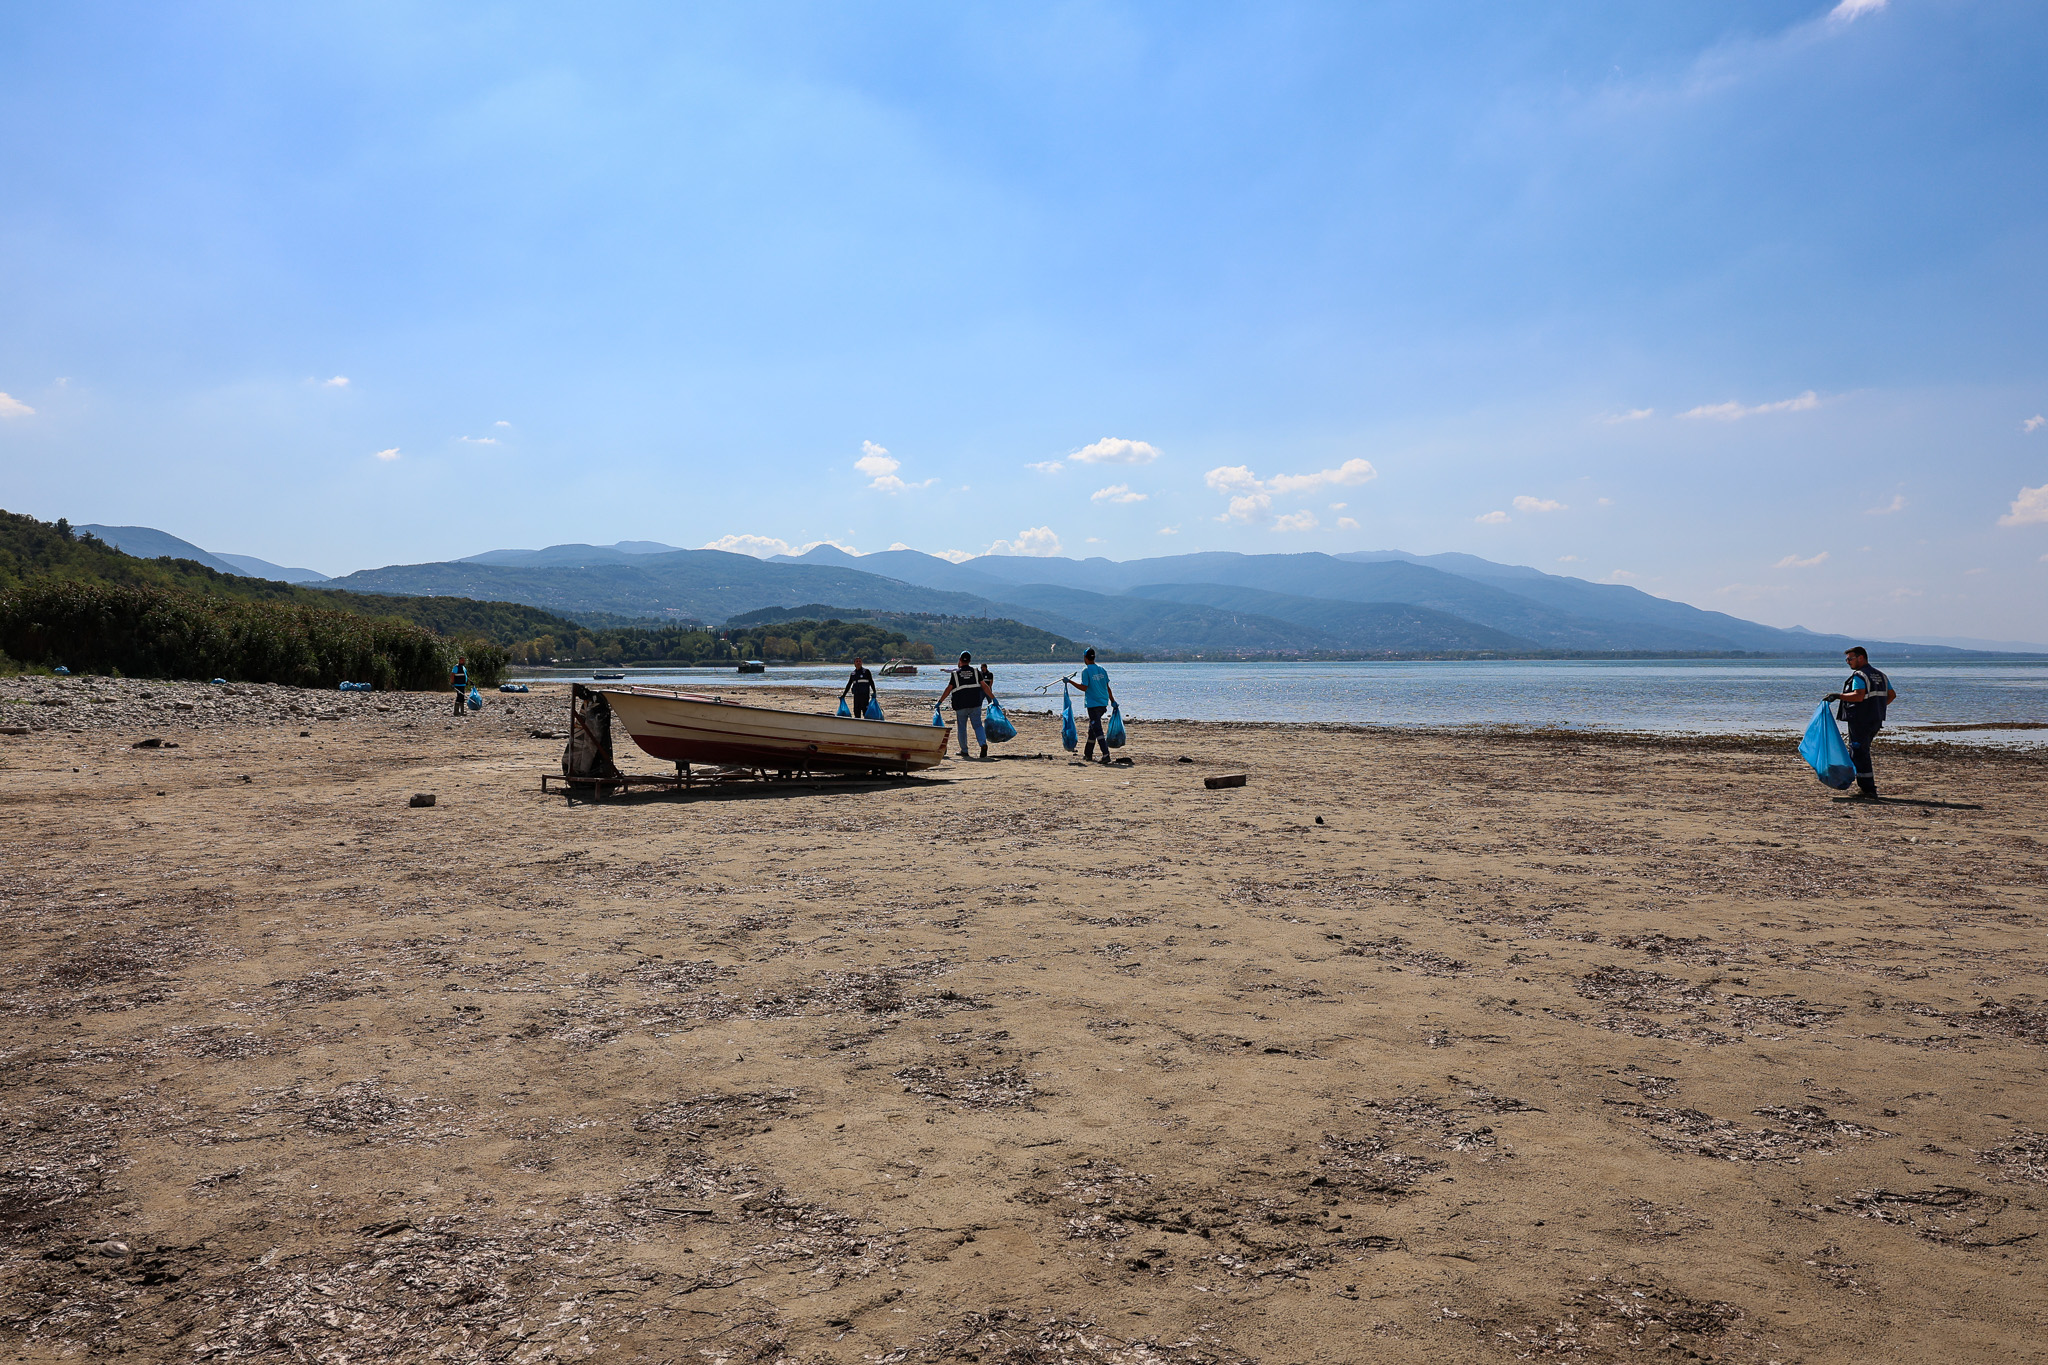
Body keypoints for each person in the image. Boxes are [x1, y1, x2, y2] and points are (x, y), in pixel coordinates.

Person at [1823, 646, 1896, 799]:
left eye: (1850, 659)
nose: (1848, 662)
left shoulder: (1860, 676)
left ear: (1861, 658)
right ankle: (1862, 785)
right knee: (1860, 751)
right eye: (1847, 659)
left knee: (1859, 752)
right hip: (1875, 719)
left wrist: (1837, 696)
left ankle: (1868, 789)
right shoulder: (1880, 675)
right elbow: (1891, 695)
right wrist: (1877, 708)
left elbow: (1858, 695)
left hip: (1861, 720)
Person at [1062, 647, 1117, 765]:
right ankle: (1088, 754)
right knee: (1092, 729)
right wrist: (1112, 701)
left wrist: (1070, 682)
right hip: (1103, 704)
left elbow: (1084, 687)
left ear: (1085, 658)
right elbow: (1107, 688)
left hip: (1093, 705)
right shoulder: (1102, 669)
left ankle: (1106, 754)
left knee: (1097, 729)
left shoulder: (1086, 671)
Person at [936, 650, 987, 759]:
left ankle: (964, 750)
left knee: (962, 728)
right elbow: (985, 686)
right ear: (970, 661)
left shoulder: (955, 674)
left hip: (961, 705)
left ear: (960, 660)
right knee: (978, 725)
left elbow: (948, 689)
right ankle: (983, 744)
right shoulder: (976, 671)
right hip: (975, 704)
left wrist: (940, 701)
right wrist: (993, 698)